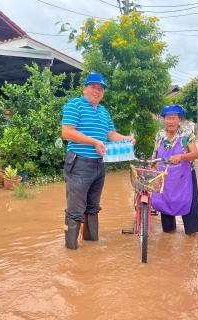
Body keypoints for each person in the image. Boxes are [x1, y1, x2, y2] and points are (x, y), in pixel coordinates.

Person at [61, 73, 136, 250]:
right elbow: (67, 132)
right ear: (84, 89)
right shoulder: (74, 105)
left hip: (99, 165)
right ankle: (71, 252)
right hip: (79, 164)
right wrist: (93, 141)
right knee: (75, 211)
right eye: (93, 87)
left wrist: (126, 138)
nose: (97, 90)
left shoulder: (103, 111)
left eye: (100, 88)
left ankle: (91, 247)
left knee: (93, 208)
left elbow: (110, 134)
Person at [151, 104, 198, 235]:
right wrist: (148, 167)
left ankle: (191, 235)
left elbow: (195, 154)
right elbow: (155, 155)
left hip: (185, 178)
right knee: (165, 206)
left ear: (180, 120)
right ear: (164, 120)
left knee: (188, 205)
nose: (171, 121)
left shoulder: (186, 134)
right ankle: (169, 233)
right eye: (168, 118)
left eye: (174, 118)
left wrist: (181, 156)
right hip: (165, 176)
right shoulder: (160, 135)